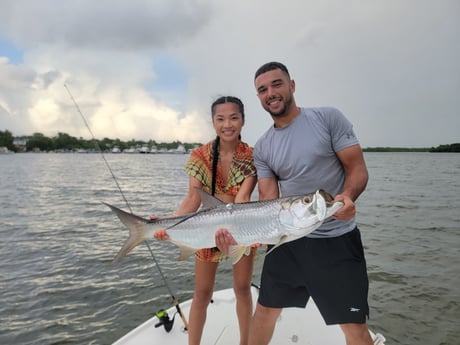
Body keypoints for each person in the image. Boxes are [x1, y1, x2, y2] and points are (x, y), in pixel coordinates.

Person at [215, 62, 372, 345]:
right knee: (264, 312)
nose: (270, 93)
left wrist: (347, 197)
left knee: (353, 326)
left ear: (292, 86)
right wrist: (240, 236)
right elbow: (268, 199)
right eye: (262, 90)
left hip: (336, 239)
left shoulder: (328, 118)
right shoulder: (263, 147)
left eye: (276, 84)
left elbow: (358, 169)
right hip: (287, 240)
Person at [153, 96, 257, 345]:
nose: (227, 124)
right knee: (202, 293)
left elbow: (243, 197)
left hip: (240, 231)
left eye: (234, 117)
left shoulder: (252, 156)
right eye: (220, 119)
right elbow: (193, 199)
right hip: (205, 230)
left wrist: (234, 234)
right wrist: (170, 222)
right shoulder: (200, 154)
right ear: (213, 122)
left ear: (243, 120)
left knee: (243, 289)